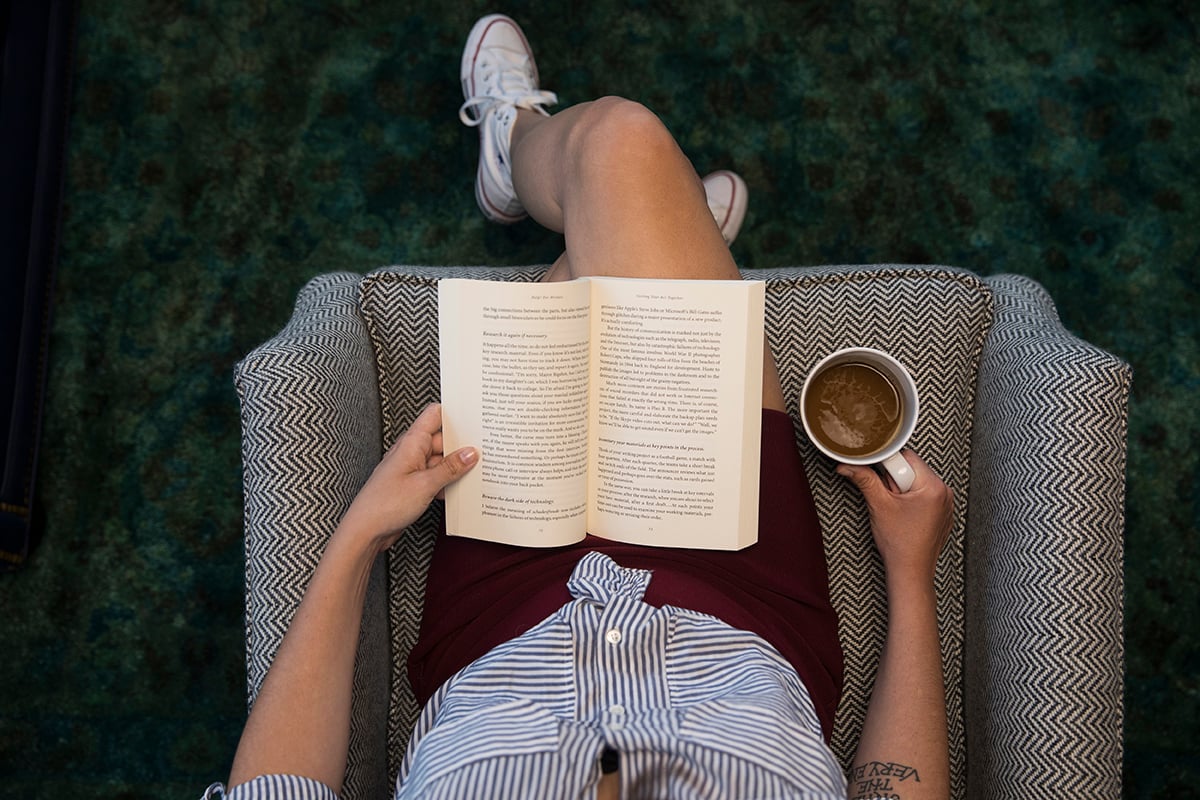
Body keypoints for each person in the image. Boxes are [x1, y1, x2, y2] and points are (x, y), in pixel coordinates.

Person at [208, 13, 953, 800]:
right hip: (739, 601)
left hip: (502, 622)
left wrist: (361, 533)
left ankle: (553, 172)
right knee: (624, 146)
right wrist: (912, 576)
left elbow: (275, 788)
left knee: (617, 156)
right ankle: (641, 221)